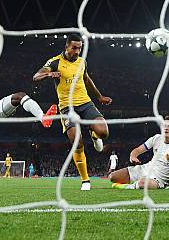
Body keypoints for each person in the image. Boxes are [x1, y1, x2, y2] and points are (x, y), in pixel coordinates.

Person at [33, 33, 113, 191]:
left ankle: (94, 134)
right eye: (74, 48)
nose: (77, 51)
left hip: (85, 103)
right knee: (77, 141)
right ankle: (85, 180)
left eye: (79, 48)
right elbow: (35, 76)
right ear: (66, 46)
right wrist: (48, 74)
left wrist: (99, 96)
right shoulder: (55, 62)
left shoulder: (82, 62)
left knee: (104, 132)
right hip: (67, 107)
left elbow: (86, 79)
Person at [109, 116, 169, 190]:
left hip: (160, 179)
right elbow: (137, 150)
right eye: (164, 126)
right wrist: (133, 157)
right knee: (112, 177)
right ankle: (136, 183)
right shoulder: (156, 138)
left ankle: (127, 186)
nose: (166, 128)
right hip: (146, 169)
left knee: (142, 183)